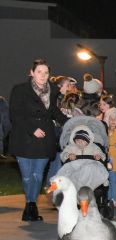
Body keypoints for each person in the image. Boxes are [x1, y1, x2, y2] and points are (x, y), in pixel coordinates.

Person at [9, 59, 68, 221]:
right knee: (27, 176)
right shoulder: (20, 90)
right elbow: (15, 114)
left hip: (44, 139)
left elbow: (54, 111)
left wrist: (70, 123)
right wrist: (32, 129)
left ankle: (31, 206)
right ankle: (30, 203)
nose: (43, 75)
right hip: (25, 139)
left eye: (46, 72)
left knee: (37, 175)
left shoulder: (52, 91)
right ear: (32, 73)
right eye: (39, 72)